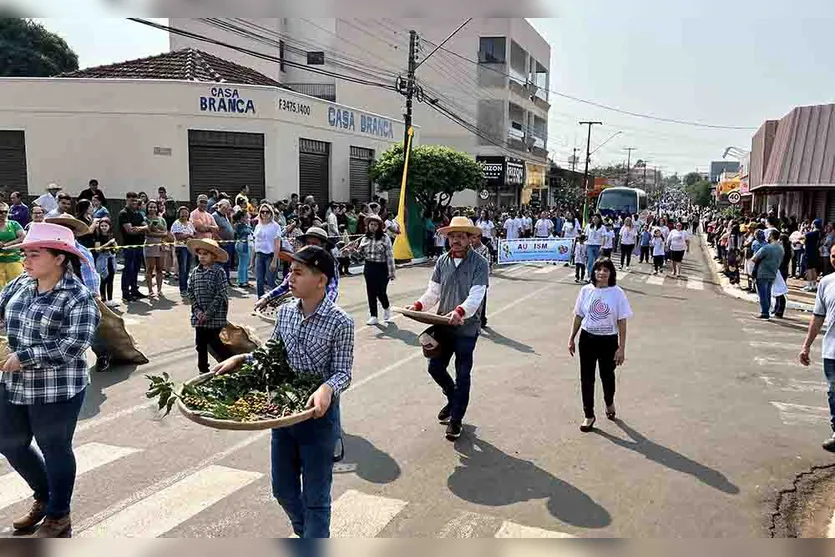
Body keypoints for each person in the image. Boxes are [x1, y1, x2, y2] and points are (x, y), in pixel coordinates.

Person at [214, 245, 352, 538]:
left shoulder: (341, 322)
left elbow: (343, 373)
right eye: (290, 270)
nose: (290, 277)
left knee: (316, 501)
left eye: (298, 272)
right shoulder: (286, 313)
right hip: (284, 416)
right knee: (284, 492)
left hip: (318, 419)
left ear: (321, 280)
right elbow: (273, 355)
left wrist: (328, 387)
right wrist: (243, 358)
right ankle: (307, 535)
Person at [0, 223, 100, 537]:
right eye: (24, 254)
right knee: (9, 442)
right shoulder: (19, 284)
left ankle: (59, 515)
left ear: (59, 258)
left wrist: (24, 357)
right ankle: (44, 496)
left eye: (34, 254)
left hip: (58, 388)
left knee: (54, 447)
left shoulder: (78, 296)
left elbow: (74, 344)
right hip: (13, 382)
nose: (26, 260)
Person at [406, 216, 489, 441]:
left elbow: (477, 295)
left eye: (461, 236)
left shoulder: (480, 264)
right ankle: (453, 399)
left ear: (470, 239)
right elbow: (433, 292)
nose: (456, 241)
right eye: (452, 236)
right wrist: (418, 306)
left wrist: (460, 312)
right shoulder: (442, 261)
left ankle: (456, 419)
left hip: (466, 329)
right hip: (443, 326)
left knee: (463, 374)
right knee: (435, 367)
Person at [568, 258, 632, 432]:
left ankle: (609, 402)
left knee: (607, 376)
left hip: (608, 341)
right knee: (586, 378)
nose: (601, 273)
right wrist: (572, 337)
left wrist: (621, 348)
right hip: (587, 339)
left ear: (611, 273)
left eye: (605, 270)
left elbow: (622, 321)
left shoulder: (617, 293)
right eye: (598, 269)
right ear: (593, 272)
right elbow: (579, 315)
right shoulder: (586, 290)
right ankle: (589, 415)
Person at [255, 226, 339, 313]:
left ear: (323, 245)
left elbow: (332, 289)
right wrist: (266, 297)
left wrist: (323, 309)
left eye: (314, 243)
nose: (310, 246)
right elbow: (286, 284)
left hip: (319, 305)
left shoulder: (329, 264)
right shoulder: (299, 261)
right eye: (308, 243)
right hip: (301, 305)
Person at [800, 244, 835, 452]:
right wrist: (806, 346)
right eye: (833, 256)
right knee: (833, 393)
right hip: (832, 351)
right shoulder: (826, 283)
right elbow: (818, 316)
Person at [186, 238, 232, 375]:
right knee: (200, 345)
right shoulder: (195, 272)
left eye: (205, 254)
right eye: (200, 254)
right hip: (199, 317)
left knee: (216, 344)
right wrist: (198, 311)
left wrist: (209, 313)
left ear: (214, 256)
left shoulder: (219, 272)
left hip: (215, 316)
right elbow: (190, 292)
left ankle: (230, 366)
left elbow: (221, 293)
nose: (202, 257)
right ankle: (203, 371)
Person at [357, 214, 395, 326]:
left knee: (381, 291)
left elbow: (390, 256)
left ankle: (386, 308)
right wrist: (350, 252)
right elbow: (359, 256)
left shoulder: (385, 238)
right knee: (371, 292)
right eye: (371, 224)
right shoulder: (364, 238)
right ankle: (374, 316)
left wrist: (391, 272)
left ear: (379, 226)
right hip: (369, 267)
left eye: (375, 225)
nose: (373, 227)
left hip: (382, 268)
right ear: (368, 225)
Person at [117, 192, 149, 302]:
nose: (134, 202)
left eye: (135, 200)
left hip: (139, 245)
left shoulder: (138, 214)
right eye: (132, 200)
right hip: (128, 246)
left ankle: (134, 290)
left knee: (136, 269)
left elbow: (147, 226)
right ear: (127, 200)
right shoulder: (123, 213)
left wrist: (139, 228)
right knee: (128, 270)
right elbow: (130, 231)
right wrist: (142, 228)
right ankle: (125, 293)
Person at [752, 229, 784, 320]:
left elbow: (754, 258)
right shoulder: (780, 249)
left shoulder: (766, 248)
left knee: (762, 294)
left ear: (771, 236)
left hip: (762, 273)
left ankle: (764, 312)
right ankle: (767, 311)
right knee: (768, 293)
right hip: (772, 273)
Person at [253, 204, 283, 299]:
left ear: (271, 213)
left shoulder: (275, 226)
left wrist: (274, 261)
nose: (264, 214)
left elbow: (277, 245)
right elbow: (255, 243)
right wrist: (252, 261)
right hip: (259, 255)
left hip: (270, 256)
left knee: (270, 280)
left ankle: (280, 296)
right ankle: (260, 301)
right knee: (259, 281)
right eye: (262, 212)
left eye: (267, 212)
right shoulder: (258, 226)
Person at [143, 200, 167, 298]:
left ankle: (159, 290)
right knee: (149, 269)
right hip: (149, 245)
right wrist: (159, 233)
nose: (152, 209)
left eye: (154, 207)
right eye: (150, 207)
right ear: (147, 208)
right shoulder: (144, 219)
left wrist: (158, 232)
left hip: (160, 245)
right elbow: (148, 233)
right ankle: (150, 290)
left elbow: (166, 233)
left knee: (160, 269)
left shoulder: (161, 219)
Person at [170, 206, 196, 299]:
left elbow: (194, 233)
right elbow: (178, 237)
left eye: (186, 212)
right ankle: (183, 289)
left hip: (189, 247)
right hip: (181, 248)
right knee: (183, 269)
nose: (185, 214)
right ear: (179, 213)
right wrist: (188, 235)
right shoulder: (176, 223)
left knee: (188, 269)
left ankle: (187, 288)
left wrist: (191, 236)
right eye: (182, 212)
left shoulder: (189, 224)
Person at [93, 217, 118, 307]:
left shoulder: (111, 236)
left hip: (111, 258)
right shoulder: (98, 236)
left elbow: (115, 249)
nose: (103, 227)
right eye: (102, 226)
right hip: (102, 260)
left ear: (109, 226)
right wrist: (108, 243)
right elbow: (97, 249)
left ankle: (110, 299)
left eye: (105, 226)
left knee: (111, 279)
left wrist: (115, 247)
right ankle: (103, 299)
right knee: (103, 280)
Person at [212, 200, 236, 284]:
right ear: (222, 207)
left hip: (229, 243)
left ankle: (226, 280)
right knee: (221, 262)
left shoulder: (225, 216)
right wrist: (220, 241)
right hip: (222, 244)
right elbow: (214, 231)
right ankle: (219, 281)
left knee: (227, 263)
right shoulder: (215, 216)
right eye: (227, 207)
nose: (228, 209)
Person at [233, 210, 253, 288]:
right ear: (242, 218)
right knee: (243, 263)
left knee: (244, 263)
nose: (248, 218)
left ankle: (245, 280)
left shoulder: (242, 224)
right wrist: (248, 226)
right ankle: (241, 281)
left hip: (243, 244)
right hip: (242, 245)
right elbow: (247, 231)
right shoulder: (240, 225)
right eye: (246, 217)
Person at [804, 219, 823, 291]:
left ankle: (809, 285)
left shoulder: (811, 234)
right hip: (815, 253)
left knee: (809, 269)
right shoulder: (819, 233)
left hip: (809, 253)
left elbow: (802, 237)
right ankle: (814, 285)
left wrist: (804, 228)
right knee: (813, 269)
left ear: (814, 224)